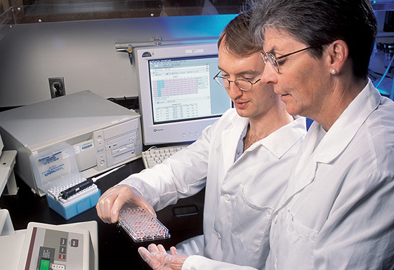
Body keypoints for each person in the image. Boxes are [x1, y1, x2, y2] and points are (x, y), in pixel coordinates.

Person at [97, 11, 306, 270]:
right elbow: (175, 172)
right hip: (206, 253)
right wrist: (132, 188)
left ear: (276, 69)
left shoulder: (301, 162)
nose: (232, 90)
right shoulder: (230, 124)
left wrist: (190, 266)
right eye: (225, 76)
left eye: (245, 78)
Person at [248, 0, 394, 269]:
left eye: (278, 60)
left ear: (334, 56)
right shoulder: (322, 126)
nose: (266, 77)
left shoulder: (377, 166)